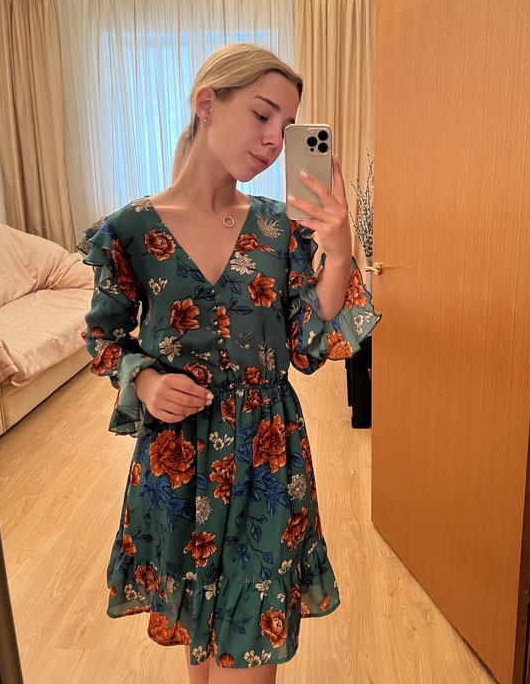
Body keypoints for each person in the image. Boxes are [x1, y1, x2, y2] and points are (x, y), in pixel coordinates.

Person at [78, 43, 381, 683]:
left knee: (247, 653)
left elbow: (309, 341)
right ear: (207, 104)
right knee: (202, 642)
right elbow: (103, 338)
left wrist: (339, 253)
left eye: (286, 126)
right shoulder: (129, 231)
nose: (274, 140)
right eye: (263, 115)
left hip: (267, 460)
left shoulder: (279, 229)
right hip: (176, 462)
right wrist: (146, 380)